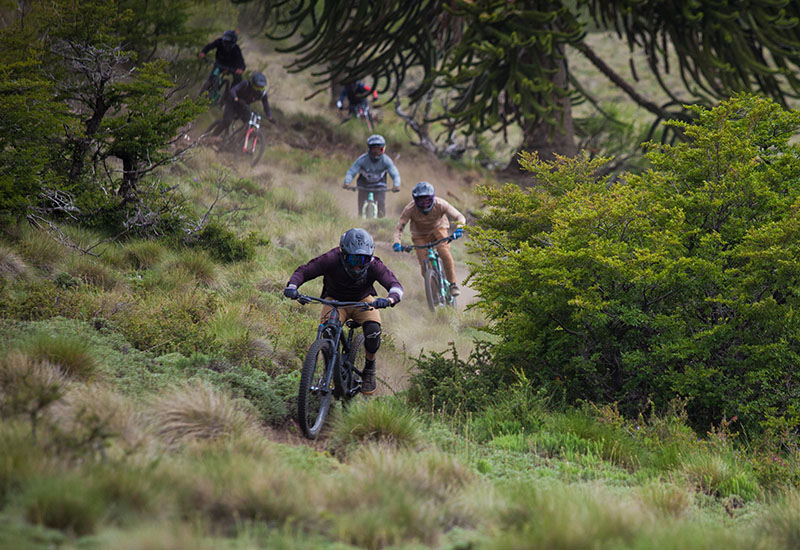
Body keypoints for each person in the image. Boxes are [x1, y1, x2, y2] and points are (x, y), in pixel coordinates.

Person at [283, 228, 403, 394]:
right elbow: (304, 271)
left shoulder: (375, 265)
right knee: (328, 331)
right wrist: (292, 286)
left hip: (363, 300)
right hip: (334, 301)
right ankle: (329, 369)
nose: (357, 265)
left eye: (362, 259)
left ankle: (369, 369)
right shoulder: (331, 259)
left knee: (373, 331)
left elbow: (395, 285)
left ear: (369, 258)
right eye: (352, 259)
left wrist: (389, 299)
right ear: (343, 254)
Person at [392, 181, 466, 297]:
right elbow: (399, 227)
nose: (425, 204)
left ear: (432, 198)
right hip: (419, 235)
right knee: (424, 263)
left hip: (439, 229)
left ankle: (453, 284)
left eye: (427, 200)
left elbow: (459, 216)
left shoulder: (440, 204)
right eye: (421, 201)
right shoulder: (410, 209)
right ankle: (433, 291)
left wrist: (460, 228)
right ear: (415, 200)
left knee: (444, 252)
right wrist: (397, 242)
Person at [343, 134, 400, 218]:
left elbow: (395, 174)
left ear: (383, 149)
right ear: (369, 149)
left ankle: (381, 222)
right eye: (374, 150)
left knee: (381, 206)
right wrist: (347, 182)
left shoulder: (386, 160)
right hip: (364, 186)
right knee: (361, 206)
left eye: (379, 150)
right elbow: (351, 171)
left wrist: (396, 185)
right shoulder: (362, 160)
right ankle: (360, 222)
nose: (376, 153)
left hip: (380, 186)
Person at [208, 71, 274, 137]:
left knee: (249, 125)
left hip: (244, 105)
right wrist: (236, 98)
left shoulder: (262, 94)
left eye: (261, 87)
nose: (258, 89)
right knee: (227, 121)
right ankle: (213, 136)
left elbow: (266, 105)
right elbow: (233, 90)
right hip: (232, 102)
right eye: (257, 87)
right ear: (252, 83)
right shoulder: (246, 84)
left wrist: (270, 116)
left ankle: (238, 143)